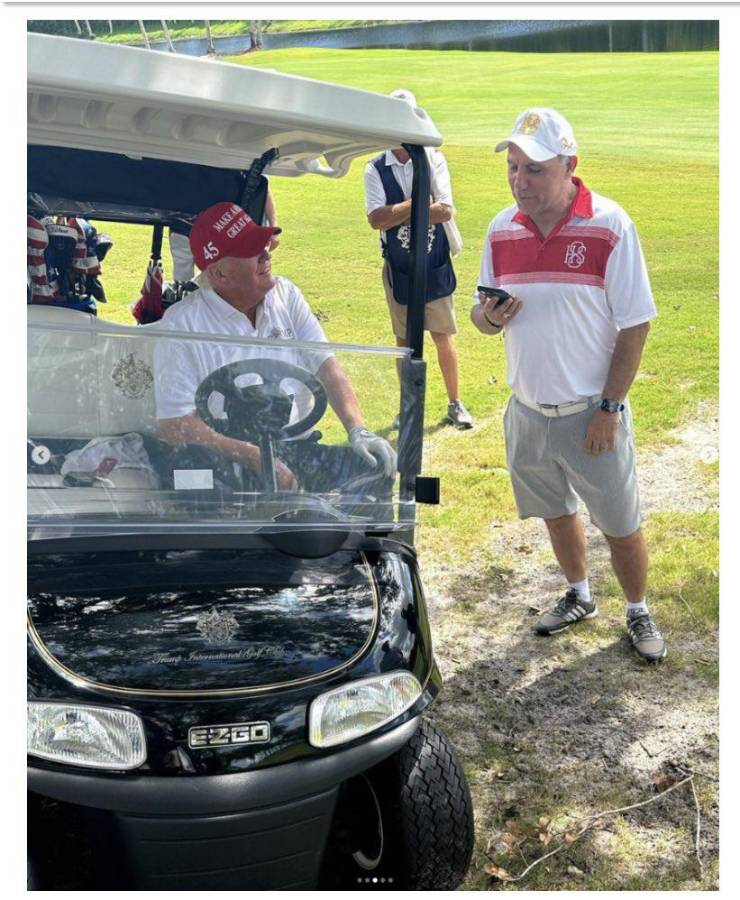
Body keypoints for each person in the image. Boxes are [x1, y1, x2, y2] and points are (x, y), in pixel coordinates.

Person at [472, 108, 665, 663]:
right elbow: (482, 319)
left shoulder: (610, 224)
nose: (519, 181)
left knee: (621, 523)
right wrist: (492, 317)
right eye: (512, 167)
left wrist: (610, 407)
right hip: (527, 410)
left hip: (590, 412)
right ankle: (579, 594)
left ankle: (636, 607)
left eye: (533, 169)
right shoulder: (499, 227)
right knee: (556, 512)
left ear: (569, 166)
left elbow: (635, 322)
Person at [154, 201, 396, 497]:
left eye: (263, 244)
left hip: (296, 449)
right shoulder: (181, 325)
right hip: (225, 459)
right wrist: (257, 459)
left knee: (375, 468)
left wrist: (359, 430)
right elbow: (174, 424)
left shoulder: (287, 296)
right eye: (251, 250)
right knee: (197, 485)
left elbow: (328, 370)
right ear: (219, 274)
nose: (266, 254)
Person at [364, 88, 473, 430]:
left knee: (442, 335)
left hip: (434, 259)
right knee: (403, 340)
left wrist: (399, 210)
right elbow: (376, 219)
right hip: (398, 265)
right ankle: (408, 407)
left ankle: (455, 403)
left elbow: (444, 211)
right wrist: (416, 203)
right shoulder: (375, 167)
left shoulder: (433, 158)